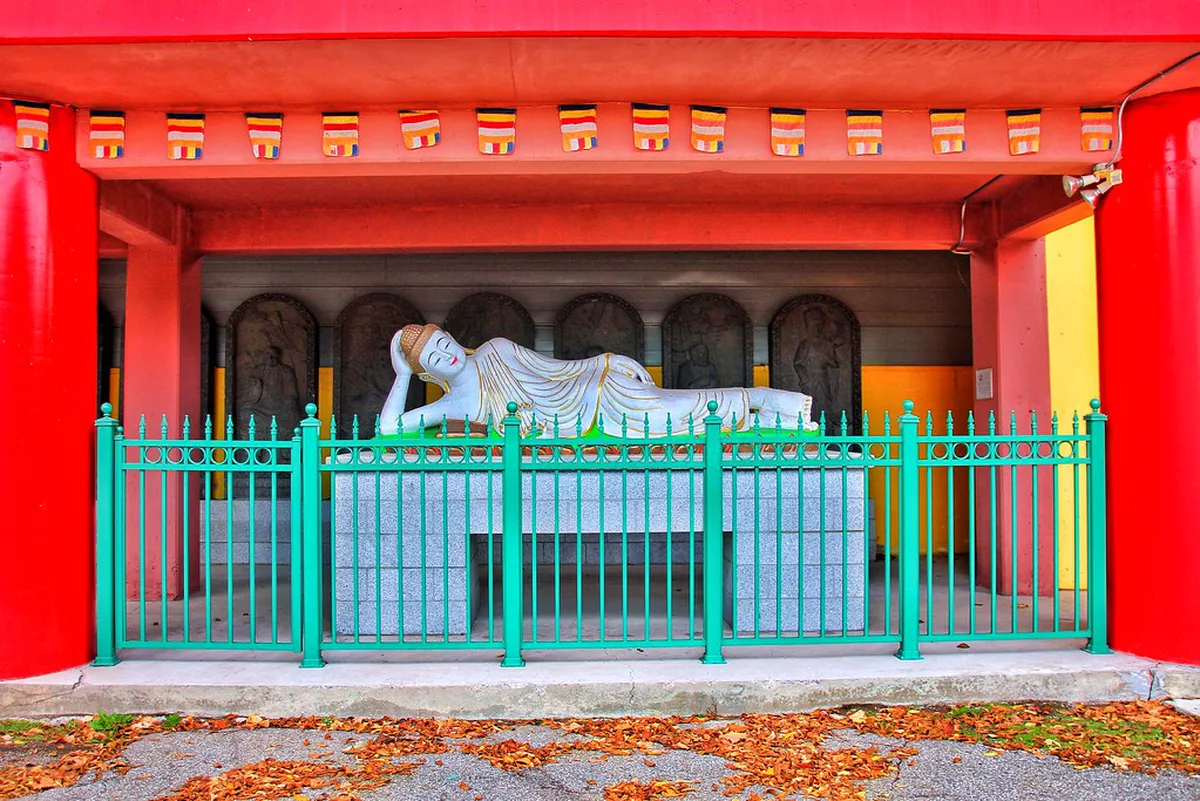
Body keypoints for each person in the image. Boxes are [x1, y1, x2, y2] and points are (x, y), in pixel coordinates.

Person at [378, 323, 817, 438]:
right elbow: (391, 428)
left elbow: (557, 368)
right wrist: (402, 375)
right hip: (580, 424)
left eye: (445, 342)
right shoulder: (450, 406)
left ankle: (763, 398)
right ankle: (765, 415)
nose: (448, 354)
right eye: (435, 359)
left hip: (596, 394)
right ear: (428, 373)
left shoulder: (496, 350)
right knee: (681, 420)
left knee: (672, 408)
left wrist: (609, 360)